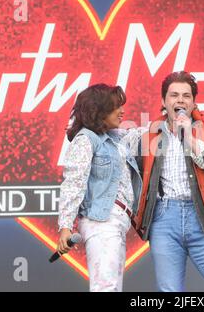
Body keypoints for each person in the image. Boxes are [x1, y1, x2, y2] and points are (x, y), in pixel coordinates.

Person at [134, 71, 204, 292]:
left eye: (186, 96)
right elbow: (135, 176)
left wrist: (189, 138)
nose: (180, 100)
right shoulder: (149, 135)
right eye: (174, 95)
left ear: (193, 102)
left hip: (200, 219)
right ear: (164, 101)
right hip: (164, 220)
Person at [57, 83, 142, 292]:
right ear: (99, 110)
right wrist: (65, 227)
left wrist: (169, 117)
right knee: (106, 288)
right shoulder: (86, 139)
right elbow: (73, 183)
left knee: (109, 287)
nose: (122, 111)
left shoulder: (115, 137)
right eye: (115, 107)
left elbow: (142, 133)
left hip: (116, 222)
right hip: (102, 222)